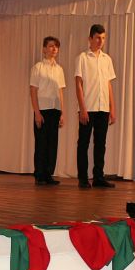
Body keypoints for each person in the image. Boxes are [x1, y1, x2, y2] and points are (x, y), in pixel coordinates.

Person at [75, 24, 116, 188]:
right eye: (98, 38)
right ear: (90, 38)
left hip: (103, 108)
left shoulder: (107, 59)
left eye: (103, 38)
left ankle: (98, 177)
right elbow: (78, 84)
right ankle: (83, 178)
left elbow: (108, 85)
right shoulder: (82, 58)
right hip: (88, 107)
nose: (101, 41)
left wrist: (112, 108)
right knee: (83, 143)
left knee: (100, 144)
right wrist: (82, 108)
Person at [29, 36, 65, 185]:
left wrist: (62, 113)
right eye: (51, 46)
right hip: (42, 109)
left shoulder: (59, 69)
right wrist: (37, 112)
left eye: (56, 46)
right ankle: (39, 174)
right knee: (41, 143)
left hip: (55, 109)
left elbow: (60, 92)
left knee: (52, 143)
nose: (54, 49)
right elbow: (33, 90)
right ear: (44, 49)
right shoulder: (38, 67)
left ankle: (48, 174)